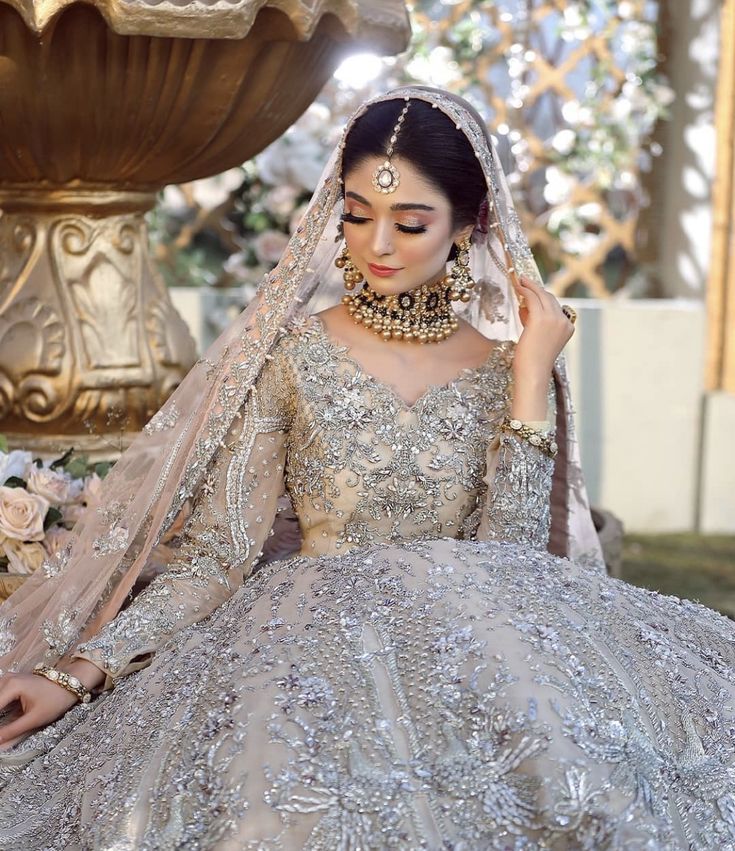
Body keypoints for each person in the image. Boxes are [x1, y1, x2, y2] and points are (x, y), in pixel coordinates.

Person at [0, 86, 732, 850]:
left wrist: (526, 383)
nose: (376, 243)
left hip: (475, 646)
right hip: (300, 642)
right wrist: (74, 674)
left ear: (467, 225)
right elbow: (215, 558)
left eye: (409, 222)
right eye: (355, 215)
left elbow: (513, 570)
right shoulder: (290, 357)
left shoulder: (507, 369)